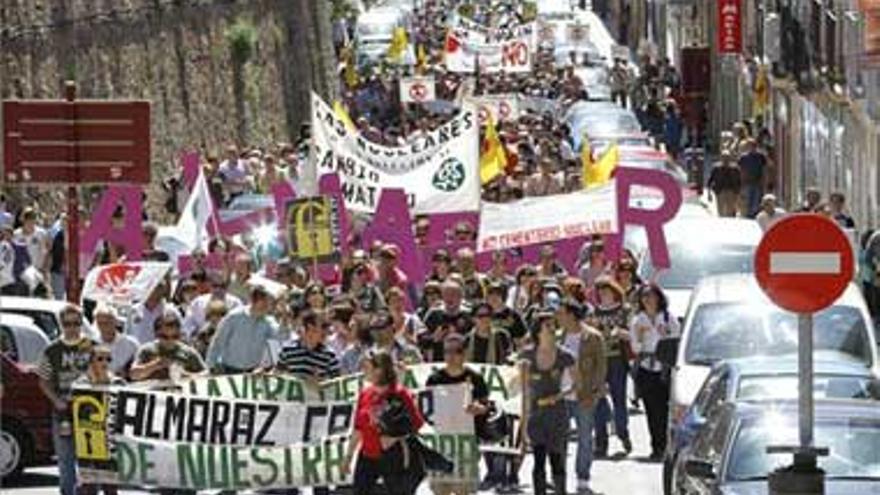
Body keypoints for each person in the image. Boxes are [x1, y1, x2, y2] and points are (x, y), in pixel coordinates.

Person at [344, 350, 426, 495]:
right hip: (367, 454)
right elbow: (358, 429)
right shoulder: (365, 394)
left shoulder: (400, 394)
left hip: (392, 456)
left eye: (367, 366)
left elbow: (416, 423)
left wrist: (395, 436)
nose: (363, 370)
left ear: (380, 369)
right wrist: (348, 457)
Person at [36, 305, 95, 495]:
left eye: (76, 323)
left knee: (89, 460)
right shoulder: (52, 350)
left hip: (89, 412)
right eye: (67, 323)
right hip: (63, 413)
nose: (72, 328)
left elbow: (102, 373)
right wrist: (57, 401)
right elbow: (43, 381)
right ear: (61, 324)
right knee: (66, 460)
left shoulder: (91, 346)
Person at [425, 334, 490, 495]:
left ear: (465, 353)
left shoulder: (476, 378)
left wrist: (480, 409)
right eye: (448, 351)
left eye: (457, 351)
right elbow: (426, 410)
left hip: (466, 445)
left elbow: (486, 406)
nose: (452, 355)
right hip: (441, 445)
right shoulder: (434, 379)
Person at [520, 310, 575, 495]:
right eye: (547, 326)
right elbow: (523, 390)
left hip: (557, 413)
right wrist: (523, 423)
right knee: (538, 459)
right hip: (536, 414)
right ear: (538, 331)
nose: (552, 329)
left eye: (553, 325)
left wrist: (558, 396)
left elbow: (577, 385)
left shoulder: (564, 355)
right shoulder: (526, 355)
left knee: (557, 459)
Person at [557, 299, 606, 492]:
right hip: (560, 395)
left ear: (570, 315)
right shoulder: (557, 336)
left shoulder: (593, 337)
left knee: (585, 437)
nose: (558, 317)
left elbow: (601, 368)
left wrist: (594, 393)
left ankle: (583, 476)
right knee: (558, 438)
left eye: (561, 313)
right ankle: (558, 474)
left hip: (583, 394)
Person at [631, 284, 680, 460]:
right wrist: (640, 336)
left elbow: (676, 341)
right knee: (651, 410)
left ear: (658, 298)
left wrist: (665, 334)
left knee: (666, 409)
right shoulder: (638, 320)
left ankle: (668, 446)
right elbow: (635, 348)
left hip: (664, 368)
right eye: (644, 296)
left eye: (651, 296)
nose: (648, 300)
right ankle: (657, 446)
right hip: (646, 368)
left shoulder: (668, 318)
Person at [590, 276, 632, 458]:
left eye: (606, 290)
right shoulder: (594, 313)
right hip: (599, 361)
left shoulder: (625, 310)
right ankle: (601, 442)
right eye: (600, 291)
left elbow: (633, 333)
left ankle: (622, 432)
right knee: (598, 400)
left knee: (619, 398)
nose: (603, 294)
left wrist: (620, 333)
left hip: (617, 360)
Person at [74, 345, 125, 495]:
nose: (105, 362)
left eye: (108, 359)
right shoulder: (81, 384)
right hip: (88, 443)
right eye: (100, 358)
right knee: (87, 488)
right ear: (91, 361)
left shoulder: (118, 383)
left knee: (111, 488)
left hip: (110, 443)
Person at [206, 285, 278, 373]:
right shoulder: (234, 317)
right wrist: (210, 367)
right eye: (265, 303)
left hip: (254, 372)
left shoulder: (269, 323)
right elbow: (218, 341)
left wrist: (265, 367)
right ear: (254, 301)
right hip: (230, 370)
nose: (267, 306)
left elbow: (273, 346)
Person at [129, 309, 206, 383]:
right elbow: (133, 375)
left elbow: (205, 375)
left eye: (175, 336)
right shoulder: (146, 350)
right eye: (164, 337)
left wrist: (184, 374)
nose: (170, 341)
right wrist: (154, 366)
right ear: (156, 334)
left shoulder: (188, 353)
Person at [276, 310, 341, 380]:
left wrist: (320, 382)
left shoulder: (329, 356)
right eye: (307, 329)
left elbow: (336, 382)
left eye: (314, 330)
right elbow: (277, 376)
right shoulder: (287, 350)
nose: (310, 334)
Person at [420, 280, 473, 361]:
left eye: (453, 294)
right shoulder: (433, 314)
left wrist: (461, 339)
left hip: (463, 363)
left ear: (460, 297)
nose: (449, 298)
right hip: (438, 363)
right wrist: (433, 338)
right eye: (446, 294)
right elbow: (421, 340)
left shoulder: (469, 316)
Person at [92, 304, 138, 378]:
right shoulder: (92, 344)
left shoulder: (131, 344)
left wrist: (126, 372)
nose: (103, 327)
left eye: (107, 323)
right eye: (100, 323)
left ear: (116, 322)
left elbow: (138, 366)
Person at [738, 139, 767, 217]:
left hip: (758, 182)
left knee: (756, 201)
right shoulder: (743, 157)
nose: (751, 148)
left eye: (752, 146)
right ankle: (749, 215)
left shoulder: (761, 156)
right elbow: (741, 171)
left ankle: (753, 215)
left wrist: (765, 182)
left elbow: (764, 170)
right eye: (749, 146)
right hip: (747, 182)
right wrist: (741, 183)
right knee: (748, 200)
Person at [706, 153, 742, 217]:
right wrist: (709, 194)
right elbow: (710, 180)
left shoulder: (735, 169)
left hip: (731, 191)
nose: (726, 160)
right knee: (721, 210)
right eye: (724, 157)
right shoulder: (716, 168)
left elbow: (739, 181)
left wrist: (738, 194)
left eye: (727, 158)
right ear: (721, 158)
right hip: (720, 191)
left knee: (730, 210)